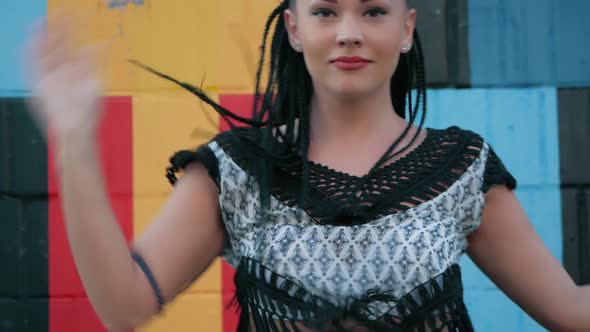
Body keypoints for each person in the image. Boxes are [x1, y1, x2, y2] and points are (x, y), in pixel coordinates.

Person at [24, 0, 590, 331]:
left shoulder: (461, 167)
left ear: (407, 28)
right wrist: (73, 142)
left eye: (372, 10)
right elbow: (124, 305)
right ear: (294, 29)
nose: (349, 31)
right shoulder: (238, 170)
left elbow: (571, 312)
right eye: (325, 11)